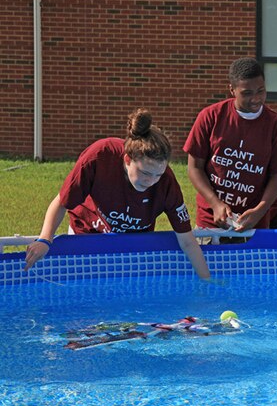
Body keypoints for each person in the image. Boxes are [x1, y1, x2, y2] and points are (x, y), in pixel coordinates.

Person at [23, 108, 211, 279]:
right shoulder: (99, 156)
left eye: (158, 175)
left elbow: (187, 241)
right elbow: (62, 202)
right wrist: (45, 240)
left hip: (132, 243)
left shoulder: (166, 183)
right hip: (86, 233)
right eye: (145, 173)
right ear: (128, 159)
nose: (151, 181)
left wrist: (207, 281)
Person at [184, 57, 277, 235]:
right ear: (232, 90)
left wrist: (259, 211)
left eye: (261, 90)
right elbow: (194, 167)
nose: (256, 98)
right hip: (211, 222)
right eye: (247, 93)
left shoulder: (276, 124)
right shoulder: (210, 116)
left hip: (253, 224)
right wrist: (215, 203)